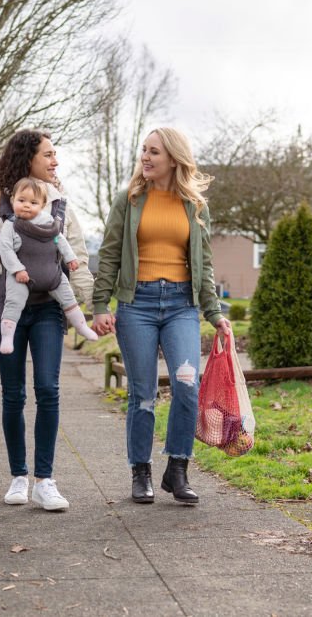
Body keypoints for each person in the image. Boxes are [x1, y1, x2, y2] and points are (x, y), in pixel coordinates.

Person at [92, 127, 231, 505]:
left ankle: (178, 468)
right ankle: (141, 472)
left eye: (154, 152)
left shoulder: (195, 206)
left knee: (187, 385)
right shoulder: (130, 199)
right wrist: (101, 304)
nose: (146, 157)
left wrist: (214, 312)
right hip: (137, 304)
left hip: (182, 306)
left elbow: (204, 263)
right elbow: (109, 255)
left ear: (173, 158)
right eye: (144, 150)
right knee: (143, 394)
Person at [0, 129, 93, 511]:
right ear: (28, 158)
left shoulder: (59, 201)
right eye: (48, 155)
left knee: (49, 390)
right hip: (5, 308)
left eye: (56, 155)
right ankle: (18, 476)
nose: (55, 161)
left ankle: (45, 480)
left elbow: (77, 255)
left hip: (49, 307)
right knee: (13, 394)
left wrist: (93, 303)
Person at [0, 177, 98, 354]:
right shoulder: (10, 225)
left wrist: (70, 258)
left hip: (52, 277)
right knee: (13, 302)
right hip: (22, 278)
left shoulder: (50, 223)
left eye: (33, 202)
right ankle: (7, 337)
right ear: (13, 200)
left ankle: (82, 327)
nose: (27, 205)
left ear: (42, 205)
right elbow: (5, 250)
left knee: (69, 299)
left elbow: (60, 240)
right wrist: (17, 269)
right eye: (21, 201)